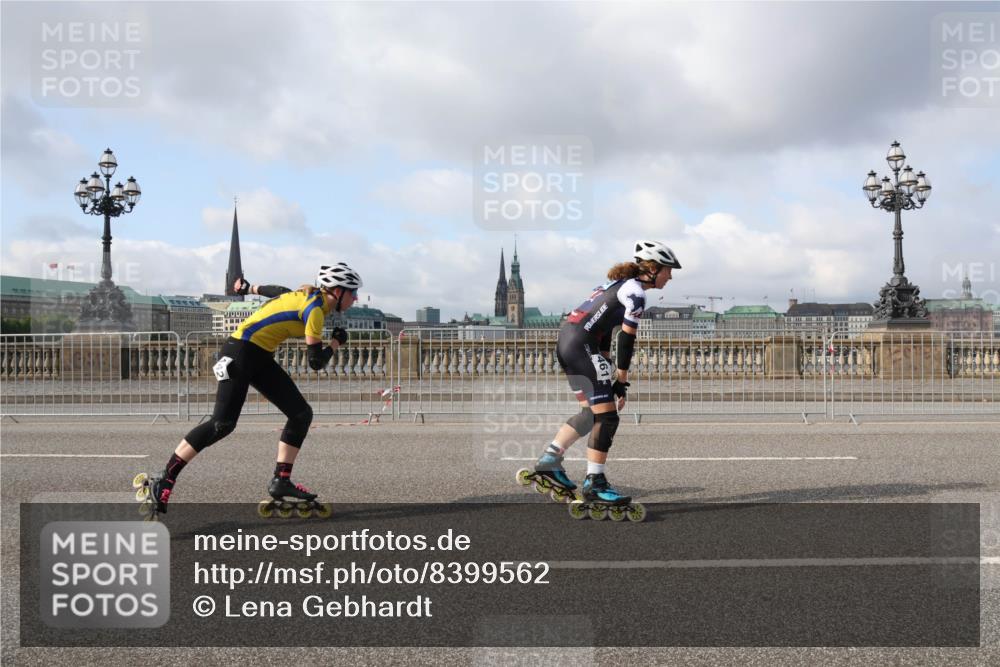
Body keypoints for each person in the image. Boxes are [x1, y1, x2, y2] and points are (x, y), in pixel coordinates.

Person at [134, 263, 362, 517]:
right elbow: (316, 362)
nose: (356, 298)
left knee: (301, 414)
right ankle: (164, 478)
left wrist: (248, 287)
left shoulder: (306, 296)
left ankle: (281, 481)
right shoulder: (315, 310)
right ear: (338, 291)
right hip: (240, 352)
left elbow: (277, 291)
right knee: (222, 424)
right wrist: (336, 342)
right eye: (353, 292)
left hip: (260, 356)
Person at [527, 240, 681, 508]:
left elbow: (604, 326)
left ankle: (550, 461)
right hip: (581, 346)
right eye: (669, 270)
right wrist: (621, 380)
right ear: (653, 269)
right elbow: (626, 339)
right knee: (608, 417)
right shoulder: (636, 293)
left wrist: (606, 364)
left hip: (568, 342)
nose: (671, 276)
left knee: (590, 413)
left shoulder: (615, 286)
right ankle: (595, 484)